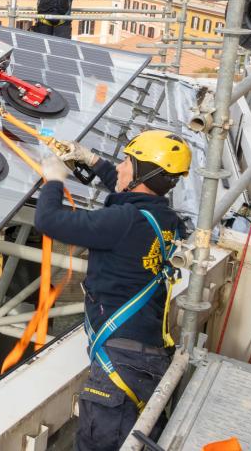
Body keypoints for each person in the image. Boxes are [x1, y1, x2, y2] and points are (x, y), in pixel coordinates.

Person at [36, 130, 192, 451]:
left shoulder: (121, 222)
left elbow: (49, 220)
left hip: (119, 368)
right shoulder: (163, 217)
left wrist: (52, 180)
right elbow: (131, 194)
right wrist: (90, 160)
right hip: (149, 356)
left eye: (126, 161)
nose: (119, 167)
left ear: (142, 173)